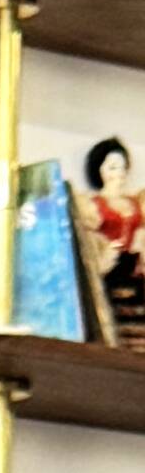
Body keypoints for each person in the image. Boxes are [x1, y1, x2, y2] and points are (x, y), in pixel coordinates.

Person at [89, 137, 145, 343]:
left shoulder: (136, 202)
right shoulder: (93, 204)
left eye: (122, 167)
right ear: (100, 170)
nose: (119, 173)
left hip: (135, 267)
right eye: (112, 167)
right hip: (110, 266)